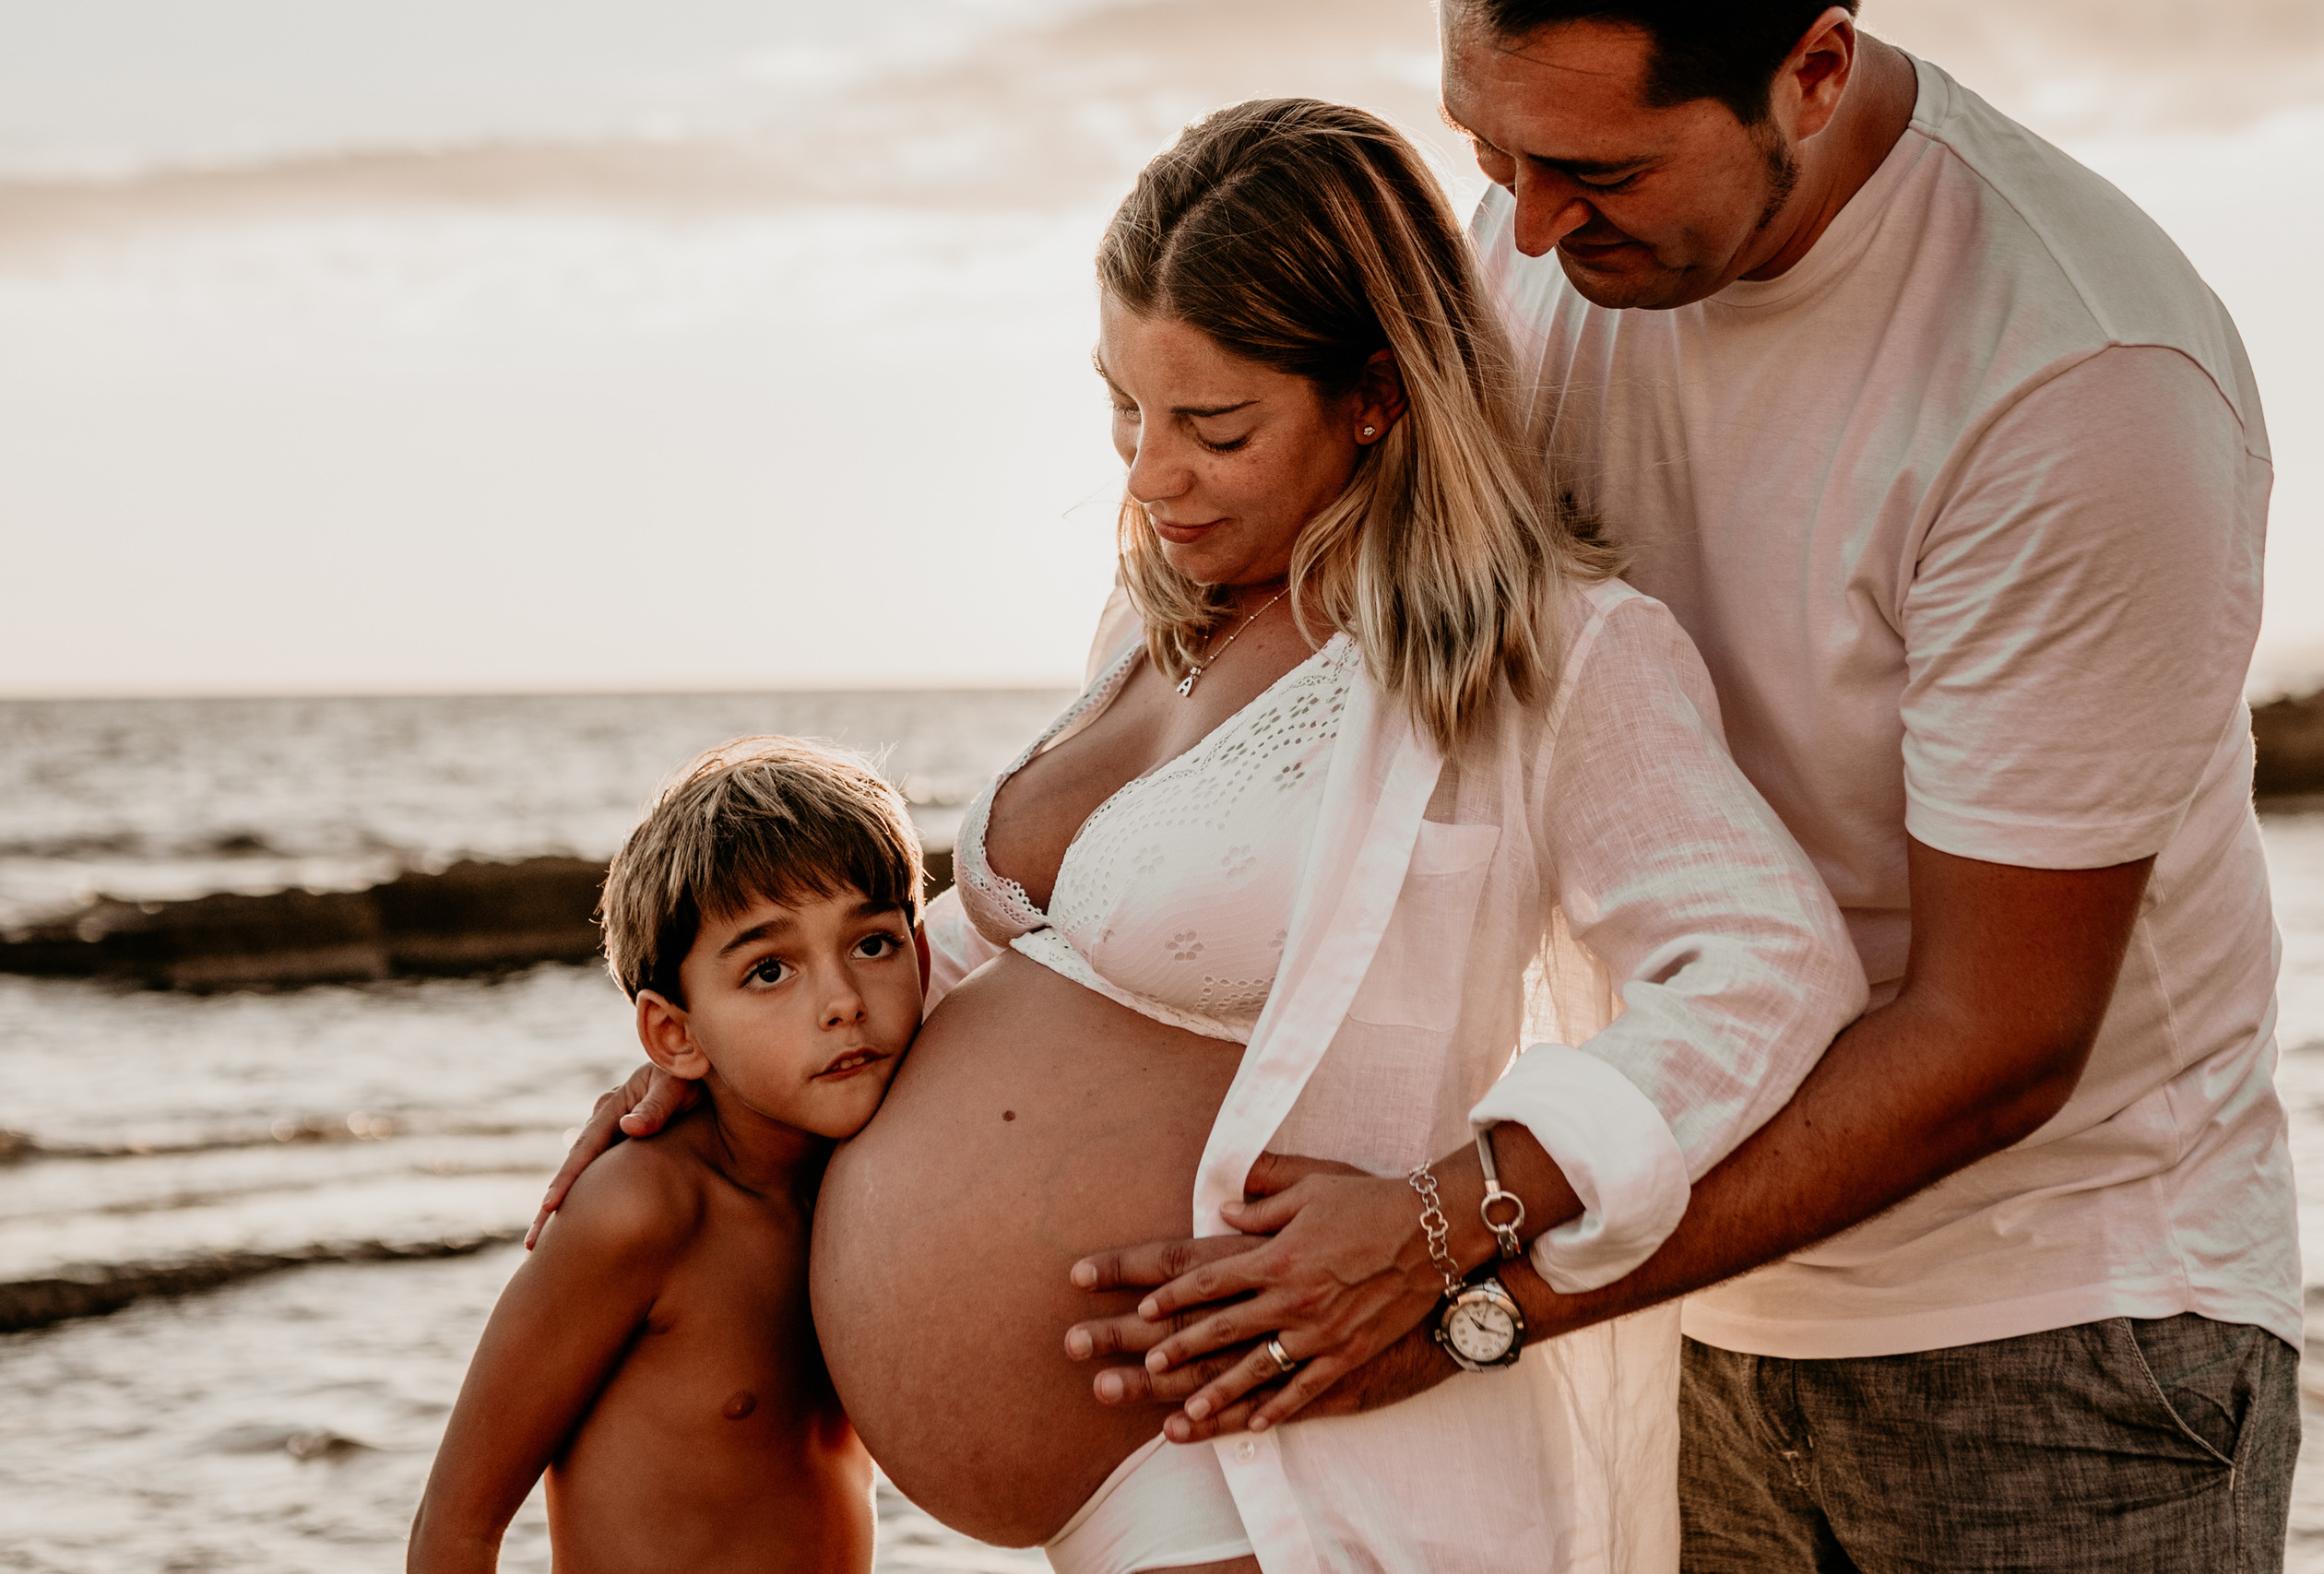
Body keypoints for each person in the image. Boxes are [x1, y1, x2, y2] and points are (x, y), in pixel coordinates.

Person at [542, 99, 1865, 1573]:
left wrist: (1459, 1209)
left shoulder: (1542, 654)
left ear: (1375, 392)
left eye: (1214, 426)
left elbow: (1768, 966)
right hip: (1123, 1507)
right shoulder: (1152, 621)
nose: (1147, 475)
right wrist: (715, 1074)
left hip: (1272, 1472)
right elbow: (993, 952)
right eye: (1126, 407)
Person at [1078, 5, 2297, 1568]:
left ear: (1814, 65)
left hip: (2054, 1332)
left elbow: (1998, 1036)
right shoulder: (1538, 248)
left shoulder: (2077, 383)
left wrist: (1463, 1267)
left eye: (1595, 169)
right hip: (1671, 1298)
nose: (1520, 224)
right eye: (1488, 151)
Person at [408, 737, 930, 1574]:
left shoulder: (866, 1180)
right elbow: (455, 1524)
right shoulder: (643, 1208)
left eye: (872, 944)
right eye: (770, 970)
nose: (841, 1002)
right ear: (674, 1034)